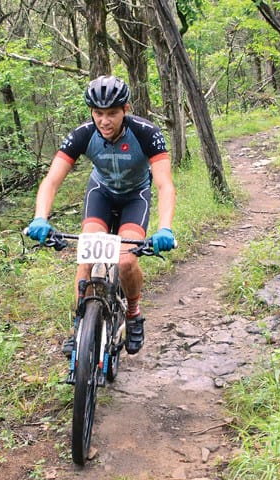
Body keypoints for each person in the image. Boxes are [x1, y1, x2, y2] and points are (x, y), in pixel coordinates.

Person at [26, 75, 176, 356]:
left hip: (135, 197)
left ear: (126, 110)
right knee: (86, 258)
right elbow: (52, 180)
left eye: (112, 114)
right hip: (101, 195)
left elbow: (164, 184)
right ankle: (79, 327)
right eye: (98, 113)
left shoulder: (146, 133)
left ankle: (133, 313)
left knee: (126, 261)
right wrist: (40, 217)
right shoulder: (83, 134)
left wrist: (165, 228)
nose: (104, 121)